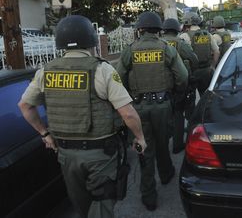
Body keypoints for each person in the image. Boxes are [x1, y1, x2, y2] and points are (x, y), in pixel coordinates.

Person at [18, 15, 146, 218]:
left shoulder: (46, 71)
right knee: (102, 206)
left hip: (66, 155)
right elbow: (127, 113)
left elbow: (25, 105)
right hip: (100, 155)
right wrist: (140, 137)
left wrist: (44, 134)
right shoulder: (102, 69)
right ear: (91, 40)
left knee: (82, 207)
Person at [116, 11, 188, 211]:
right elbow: (182, 76)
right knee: (163, 142)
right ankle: (166, 174)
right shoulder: (166, 48)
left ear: (140, 29)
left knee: (144, 148)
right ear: (158, 30)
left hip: (138, 108)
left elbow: (118, 78)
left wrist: (128, 97)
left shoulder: (130, 50)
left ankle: (148, 195)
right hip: (163, 106)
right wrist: (176, 94)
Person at [161, 18, 199, 154]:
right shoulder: (179, 43)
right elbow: (194, 59)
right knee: (178, 113)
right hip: (178, 84)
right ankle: (177, 144)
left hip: (161, 86)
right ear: (177, 30)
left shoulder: (159, 43)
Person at [179, 12, 220, 96]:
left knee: (190, 99)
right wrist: (212, 66)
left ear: (187, 22)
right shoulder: (208, 34)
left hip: (192, 73)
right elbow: (217, 52)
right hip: (207, 71)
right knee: (206, 97)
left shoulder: (184, 36)